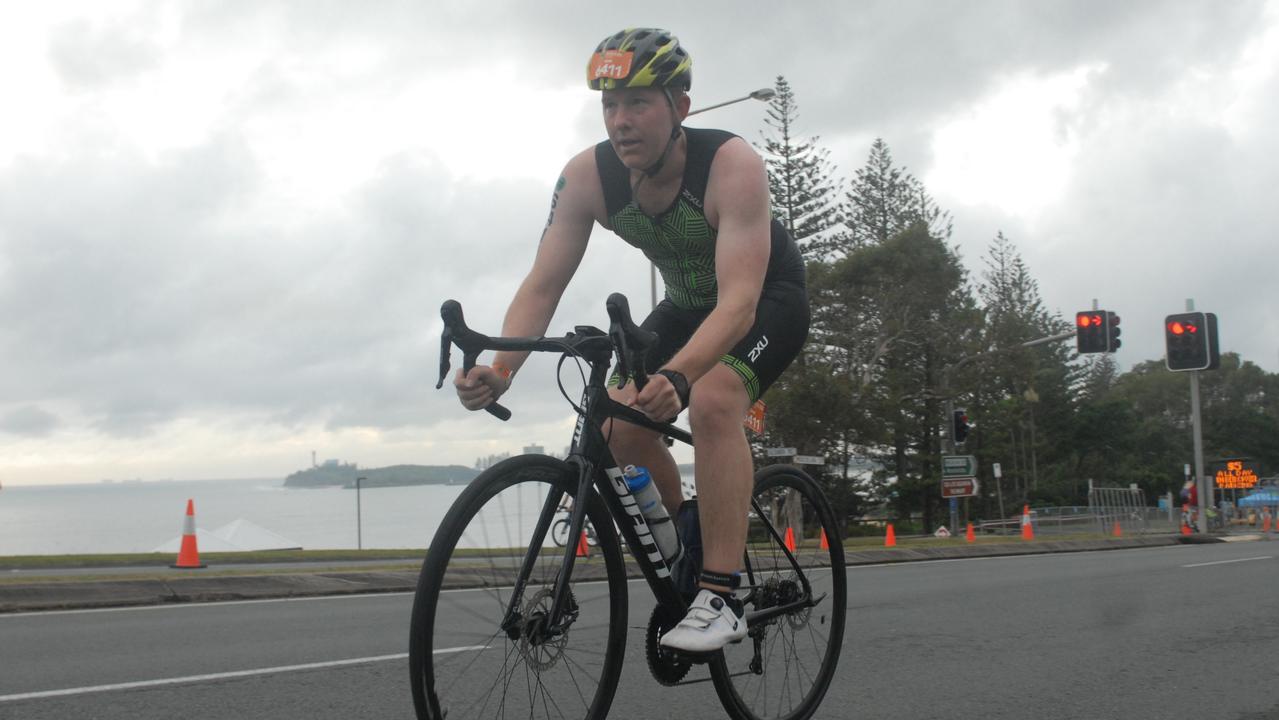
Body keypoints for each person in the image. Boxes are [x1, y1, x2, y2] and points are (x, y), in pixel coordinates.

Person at [453, 27, 808, 653]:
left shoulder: (731, 166)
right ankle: (687, 549)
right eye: (609, 105)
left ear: (681, 108)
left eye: (639, 102)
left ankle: (719, 596)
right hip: (687, 306)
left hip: (764, 300)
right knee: (620, 426)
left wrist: (679, 376)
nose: (621, 121)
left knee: (716, 398)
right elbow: (543, 284)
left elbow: (739, 303)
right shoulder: (588, 178)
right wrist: (503, 368)